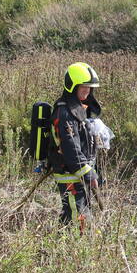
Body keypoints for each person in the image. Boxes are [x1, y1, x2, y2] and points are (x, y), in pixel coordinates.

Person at [46, 62, 109, 230]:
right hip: (70, 173)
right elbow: (70, 149)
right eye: (83, 87)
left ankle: (62, 245)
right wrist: (89, 174)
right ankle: (70, 250)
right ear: (72, 86)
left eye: (89, 88)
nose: (87, 91)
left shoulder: (79, 109)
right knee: (77, 215)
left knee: (76, 212)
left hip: (79, 171)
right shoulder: (65, 113)